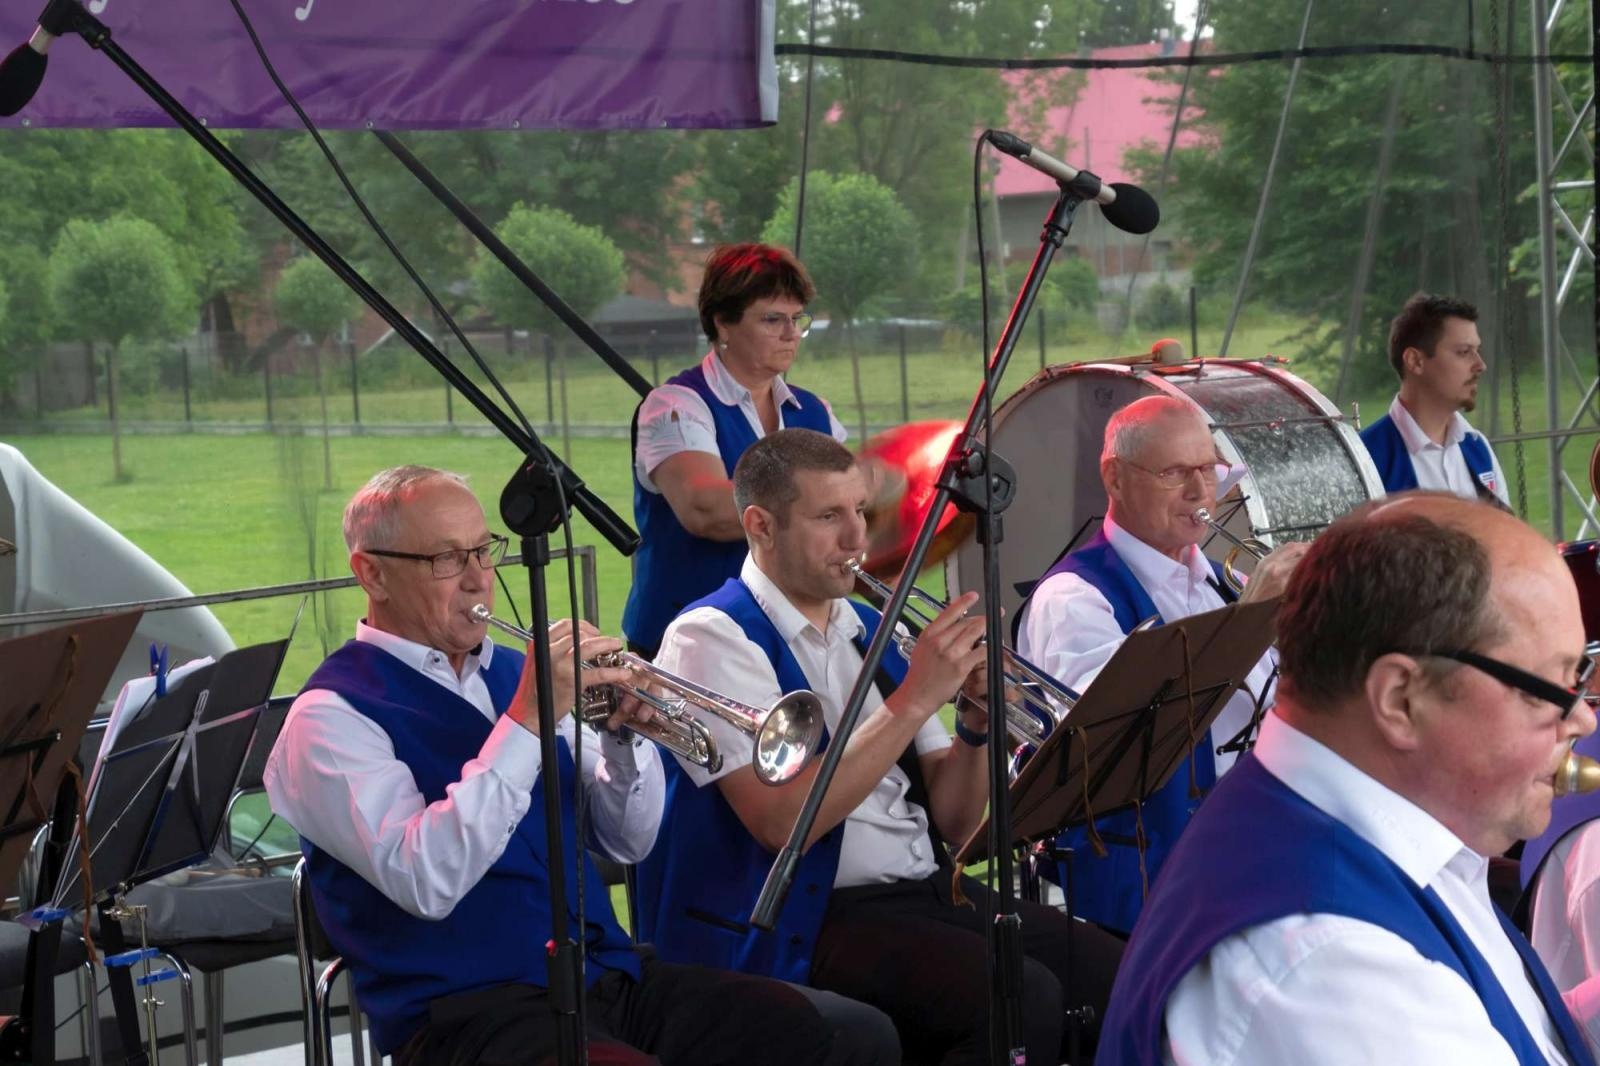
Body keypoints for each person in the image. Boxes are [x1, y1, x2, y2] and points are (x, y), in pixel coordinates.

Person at [263, 465, 855, 1066]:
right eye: (446, 559)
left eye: (483, 551)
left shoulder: (512, 672)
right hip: (469, 1016)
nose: (477, 579)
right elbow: (426, 881)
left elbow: (627, 842)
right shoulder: (327, 719)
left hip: (604, 977)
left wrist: (624, 741)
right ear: (372, 573)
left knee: (828, 1034)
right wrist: (525, 719)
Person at [635, 428, 1126, 1066]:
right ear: (761, 526)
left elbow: (955, 822)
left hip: (922, 892)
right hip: (806, 917)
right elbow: (781, 823)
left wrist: (978, 724)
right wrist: (916, 696)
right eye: (828, 517)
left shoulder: (869, 626)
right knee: (1018, 996)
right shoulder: (711, 637)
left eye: (861, 511)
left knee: (1112, 973)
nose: (856, 538)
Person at [1096, 492, 1600, 1066]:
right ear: (1401, 699)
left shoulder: (1375, 832)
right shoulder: (1326, 963)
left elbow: (1504, 1032)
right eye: (1554, 685)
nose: (1582, 719)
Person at [1013, 394, 1307, 932]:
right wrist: (1248, 620)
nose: (1200, 492)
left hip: (1260, 846)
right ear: (1115, 478)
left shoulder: (1224, 581)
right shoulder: (1074, 597)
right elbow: (1121, 742)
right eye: (1174, 473)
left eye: (1208, 470)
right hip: (1154, 878)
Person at [621, 242, 846, 658]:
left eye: (798, 319)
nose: (790, 333)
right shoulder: (675, 405)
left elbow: (852, 509)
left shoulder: (815, 410)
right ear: (723, 323)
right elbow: (705, 509)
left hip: (791, 639)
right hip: (685, 645)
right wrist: (826, 505)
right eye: (772, 319)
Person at [1360, 292, 1510, 506]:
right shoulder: (1366, 459)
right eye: (1464, 352)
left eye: (1477, 350)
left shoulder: (1478, 447)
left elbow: (1504, 527)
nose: (1480, 365)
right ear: (1415, 361)